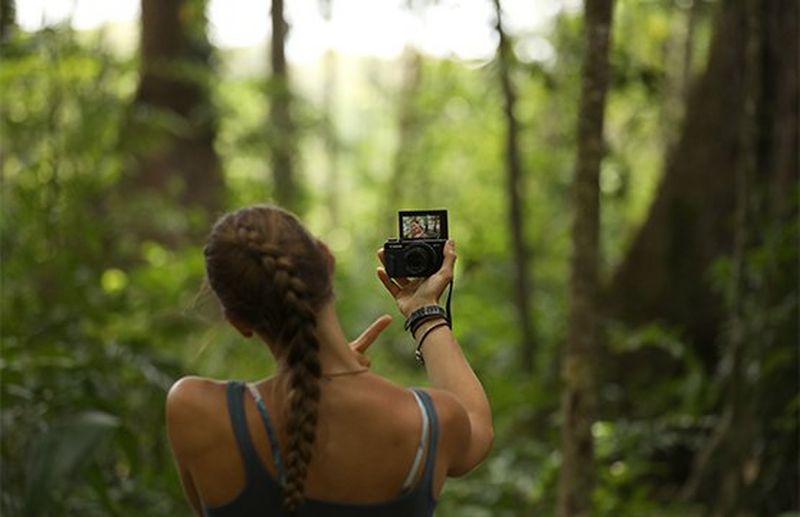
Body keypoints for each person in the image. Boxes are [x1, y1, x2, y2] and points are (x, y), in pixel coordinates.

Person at [166, 205, 493, 516]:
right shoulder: (429, 423)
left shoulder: (194, 410)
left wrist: (312, 372)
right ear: (328, 261)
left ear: (238, 321)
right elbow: (476, 422)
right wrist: (425, 314)